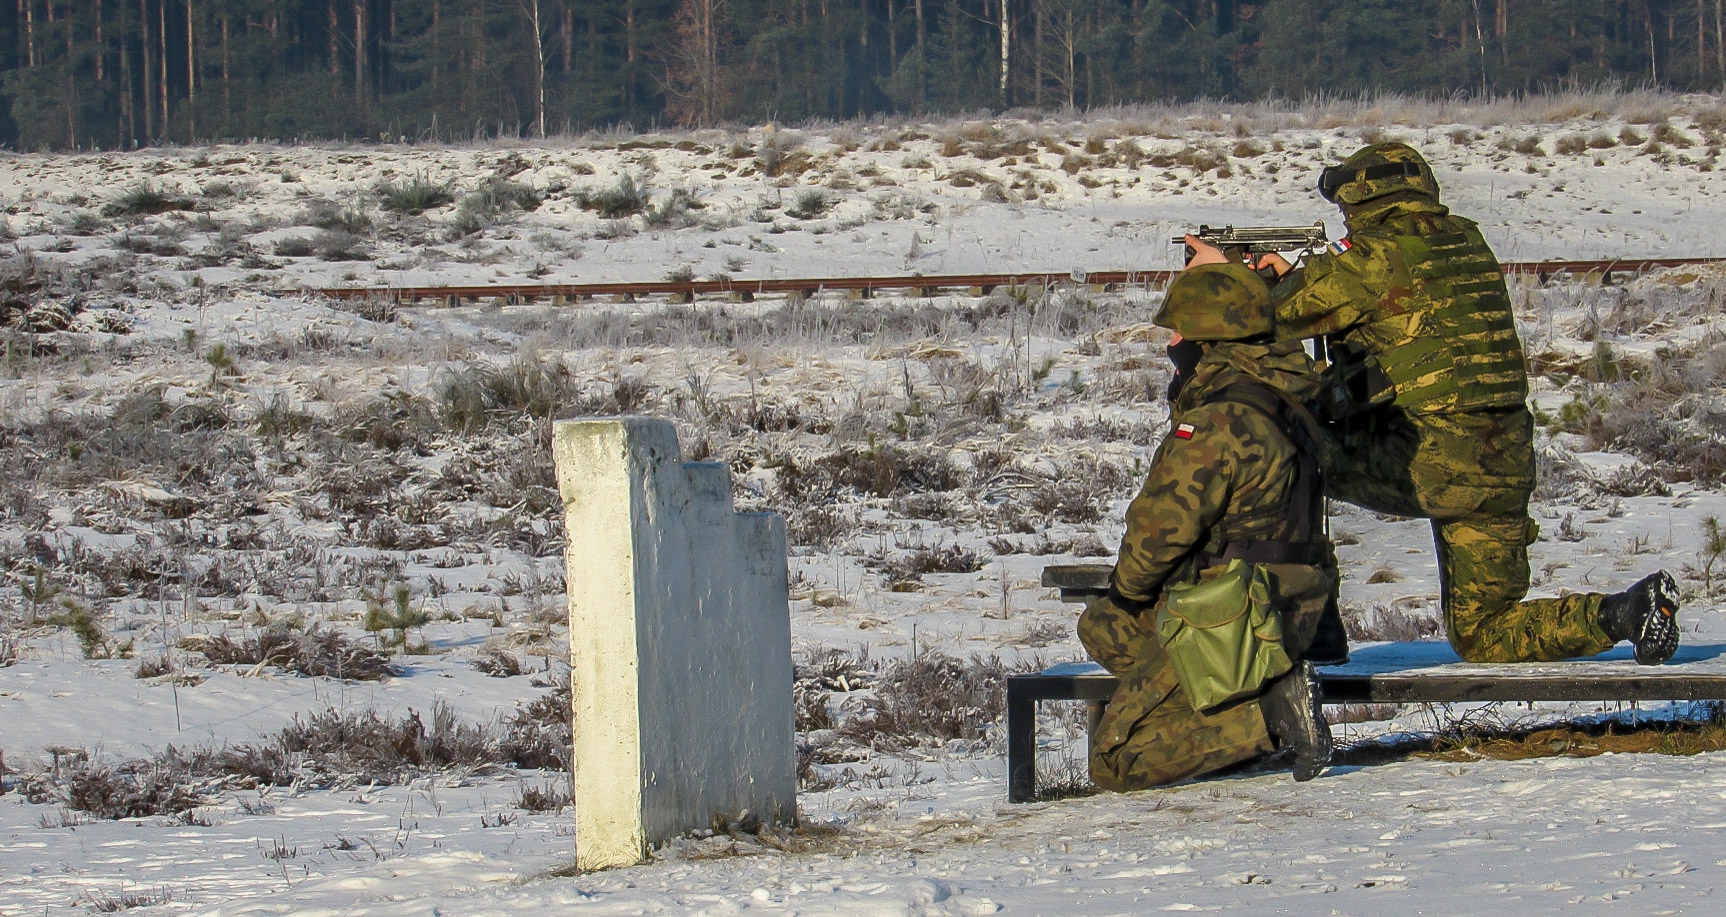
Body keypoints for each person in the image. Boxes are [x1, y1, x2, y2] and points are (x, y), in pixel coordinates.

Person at [1230, 141, 1679, 665]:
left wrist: (1236, 273)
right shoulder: (1467, 241)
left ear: (1358, 200)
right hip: (1504, 462)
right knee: (1485, 633)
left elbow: (1257, 318)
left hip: (1430, 462)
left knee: (1275, 453)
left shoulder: (1374, 258)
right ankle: (1625, 612)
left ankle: (1306, 622)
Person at [1078, 258, 1336, 791]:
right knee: (1101, 627)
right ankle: (1239, 700)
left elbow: (1159, 529)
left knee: (1115, 761)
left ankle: (1268, 715)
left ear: (1208, 337)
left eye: (1178, 332)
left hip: (1237, 613)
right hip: (1295, 600)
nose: (1172, 342)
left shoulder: (1220, 419)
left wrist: (1128, 591)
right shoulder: (1292, 399)